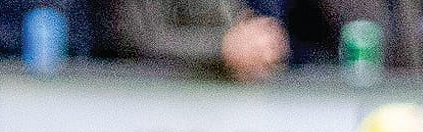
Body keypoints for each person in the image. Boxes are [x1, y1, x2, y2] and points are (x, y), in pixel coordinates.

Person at [105, 0, 292, 76]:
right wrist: (222, 47)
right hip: (150, 106)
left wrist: (258, 42)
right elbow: (142, 39)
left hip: (218, 107)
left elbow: (232, 26)